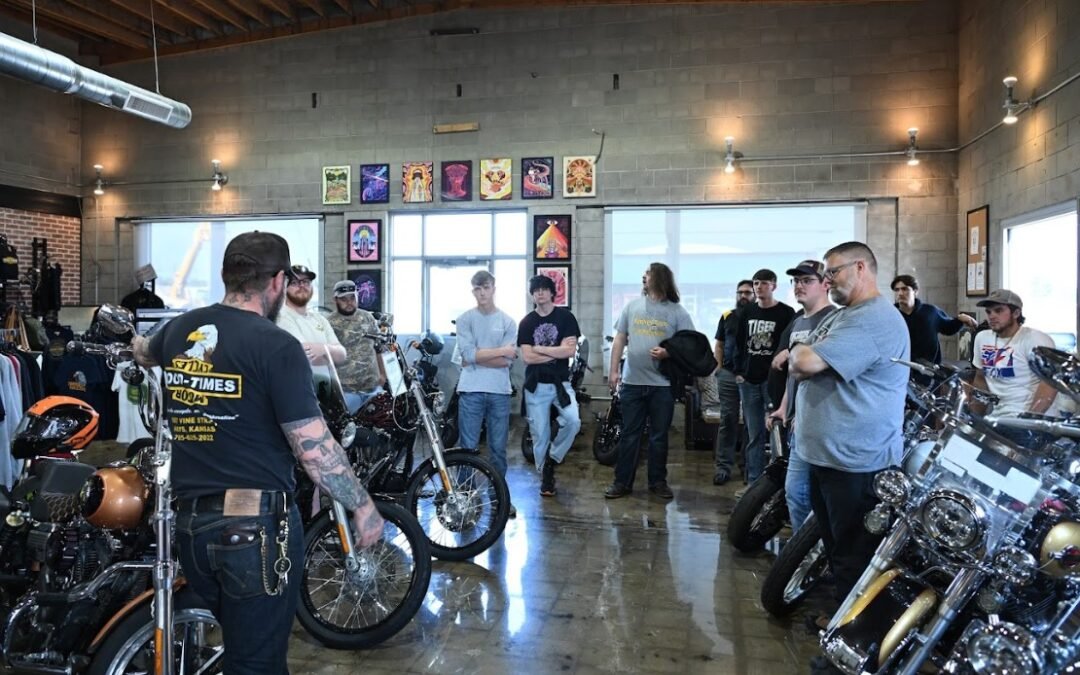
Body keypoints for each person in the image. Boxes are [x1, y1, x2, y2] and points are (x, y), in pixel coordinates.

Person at [132, 231, 383, 675]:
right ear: (278, 282)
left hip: (191, 529)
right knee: (257, 663)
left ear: (227, 276)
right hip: (256, 533)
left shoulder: (178, 330)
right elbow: (313, 447)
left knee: (240, 647)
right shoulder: (277, 345)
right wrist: (362, 507)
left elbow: (143, 352)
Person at [789, 242, 909, 622]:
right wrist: (804, 354)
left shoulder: (872, 319)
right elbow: (801, 357)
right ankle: (842, 620)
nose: (827, 281)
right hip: (830, 456)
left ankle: (856, 638)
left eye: (832, 272)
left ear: (861, 267)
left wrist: (804, 353)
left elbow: (803, 359)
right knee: (838, 547)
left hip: (856, 463)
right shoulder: (844, 315)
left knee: (854, 555)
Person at [604, 262, 695, 500]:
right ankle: (622, 482)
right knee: (629, 435)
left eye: (648, 273)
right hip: (632, 382)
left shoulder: (677, 311)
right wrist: (613, 371)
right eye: (643, 274)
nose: (644, 277)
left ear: (660, 278)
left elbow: (689, 345)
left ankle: (657, 482)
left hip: (662, 386)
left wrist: (669, 353)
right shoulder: (632, 307)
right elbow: (620, 340)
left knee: (658, 436)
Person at [766, 260, 834, 533]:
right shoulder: (798, 321)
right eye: (796, 281)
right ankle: (802, 557)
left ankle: (813, 557)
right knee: (795, 494)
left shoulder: (833, 319)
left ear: (825, 284)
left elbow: (826, 372)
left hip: (821, 425)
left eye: (807, 281)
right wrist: (784, 406)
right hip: (799, 421)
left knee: (807, 495)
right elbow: (794, 375)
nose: (798, 286)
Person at [455, 270, 519, 517]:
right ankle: (463, 498)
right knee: (467, 447)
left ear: (494, 288)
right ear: (473, 291)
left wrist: (479, 356)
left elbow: (507, 362)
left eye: (485, 287)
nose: (481, 293)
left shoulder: (508, 322)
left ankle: (499, 497)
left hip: (499, 391)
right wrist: (498, 351)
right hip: (470, 389)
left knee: (498, 449)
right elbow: (468, 355)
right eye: (477, 289)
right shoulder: (465, 319)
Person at [517, 274, 582, 497]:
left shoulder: (566, 318)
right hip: (535, 386)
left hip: (561, 383)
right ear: (532, 295)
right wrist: (555, 352)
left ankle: (553, 459)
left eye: (544, 289)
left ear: (552, 292)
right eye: (536, 290)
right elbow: (527, 358)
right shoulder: (526, 322)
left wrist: (540, 349)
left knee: (573, 421)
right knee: (540, 435)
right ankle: (546, 475)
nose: (540, 293)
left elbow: (569, 351)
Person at [970, 289, 1059, 443]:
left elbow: (1050, 384)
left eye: (998, 311)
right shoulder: (983, 338)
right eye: (989, 311)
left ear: (1016, 313)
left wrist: (1027, 423)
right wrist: (973, 417)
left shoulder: (1035, 340)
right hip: (998, 418)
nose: (992, 316)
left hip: (1035, 422)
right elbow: (981, 379)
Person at [735, 269, 794, 488]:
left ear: (774, 286)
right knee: (754, 435)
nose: (759, 287)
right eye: (756, 283)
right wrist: (739, 371)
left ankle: (774, 486)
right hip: (749, 381)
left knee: (776, 433)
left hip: (773, 381)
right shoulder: (747, 311)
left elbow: (789, 344)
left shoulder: (786, 313)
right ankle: (754, 485)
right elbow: (739, 343)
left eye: (764, 283)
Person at [274, 265, 346, 388]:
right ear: (284, 288)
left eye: (306, 282)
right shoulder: (282, 317)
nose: (302, 286)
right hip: (300, 391)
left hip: (327, 393)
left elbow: (343, 355)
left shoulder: (320, 319)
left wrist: (323, 349)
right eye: (295, 282)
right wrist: (332, 353)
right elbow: (304, 358)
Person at [711, 280, 754, 485]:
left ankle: (748, 467)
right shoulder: (727, 316)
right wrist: (718, 368)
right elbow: (719, 344)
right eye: (740, 292)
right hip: (727, 374)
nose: (743, 296)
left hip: (750, 377)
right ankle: (723, 468)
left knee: (750, 422)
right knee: (727, 420)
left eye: (747, 292)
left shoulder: (758, 317)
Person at [892, 274, 977, 370]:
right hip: (899, 370)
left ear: (915, 291)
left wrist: (960, 320)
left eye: (905, 289)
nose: (900, 293)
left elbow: (948, 328)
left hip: (929, 371)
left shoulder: (930, 312)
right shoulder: (891, 315)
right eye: (897, 290)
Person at [326, 279, 386, 412]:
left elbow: (378, 347)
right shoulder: (328, 323)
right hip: (346, 392)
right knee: (348, 430)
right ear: (335, 300)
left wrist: (383, 375)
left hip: (373, 388)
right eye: (344, 299)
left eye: (352, 298)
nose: (349, 302)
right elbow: (325, 358)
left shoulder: (368, 318)